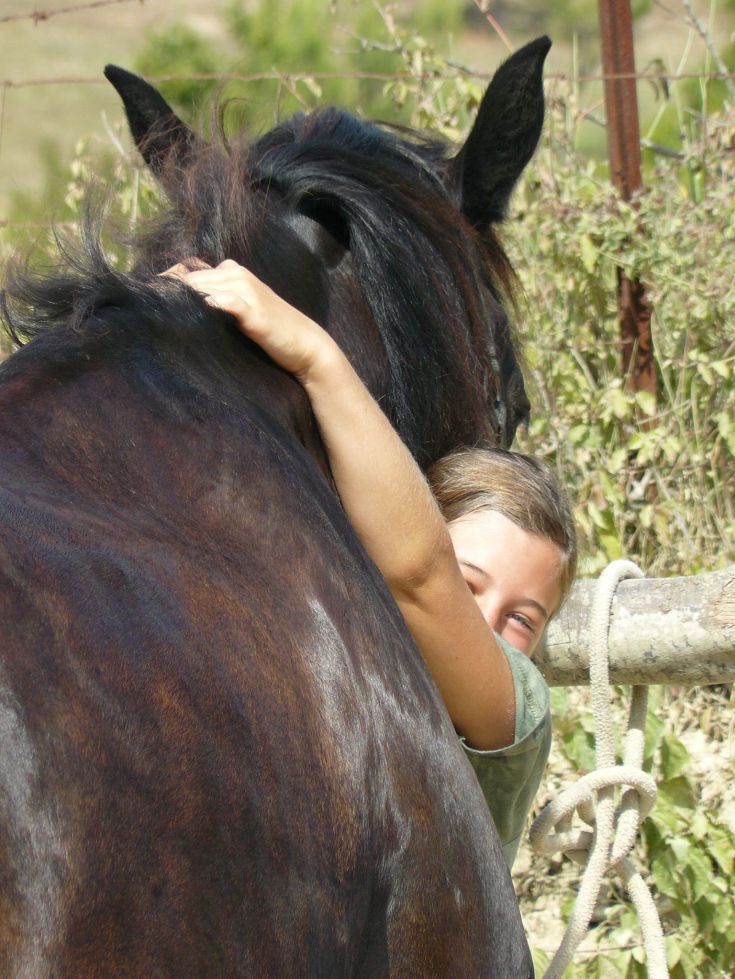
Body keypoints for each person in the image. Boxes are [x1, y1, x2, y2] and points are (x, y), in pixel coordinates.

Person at [163, 259, 577, 867]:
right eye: (469, 583)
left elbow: (420, 576)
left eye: (523, 619)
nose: (483, 623)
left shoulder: (519, 719)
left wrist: (315, 356)